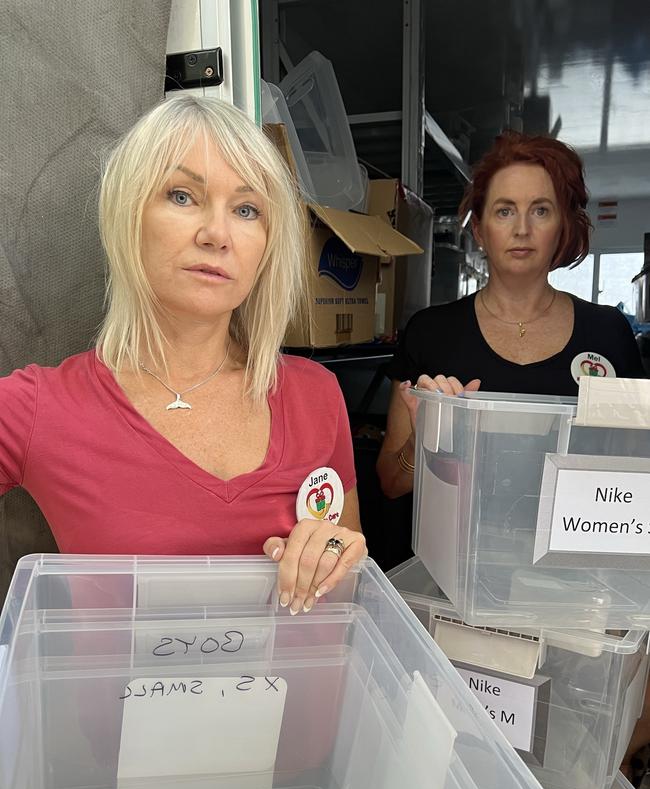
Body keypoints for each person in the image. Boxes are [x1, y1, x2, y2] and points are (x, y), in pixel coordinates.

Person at [0, 94, 366, 613]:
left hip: (295, 693)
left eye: (246, 210)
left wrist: (340, 556)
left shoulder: (315, 396)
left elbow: (346, 577)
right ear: (129, 215)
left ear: (268, 244)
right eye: (181, 196)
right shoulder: (37, 408)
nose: (216, 234)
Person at [377, 130, 645, 499]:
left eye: (540, 210)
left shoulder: (608, 332)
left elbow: (634, 473)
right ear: (479, 230)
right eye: (505, 211)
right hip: (458, 553)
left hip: (571, 548)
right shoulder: (429, 332)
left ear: (562, 226)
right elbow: (390, 484)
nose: (522, 229)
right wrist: (423, 440)